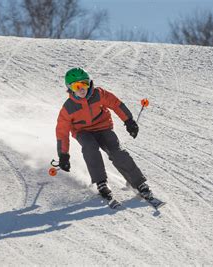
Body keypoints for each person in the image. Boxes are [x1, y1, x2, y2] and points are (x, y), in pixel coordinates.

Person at [55, 67, 153, 201]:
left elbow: (116, 104)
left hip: (103, 127)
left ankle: (138, 182)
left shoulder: (99, 94)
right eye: (76, 86)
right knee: (90, 148)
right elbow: (62, 132)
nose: (81, 89)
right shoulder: (68, 108)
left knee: (117, 152)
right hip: (83, 132)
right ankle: (101, 182)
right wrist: (63, 155)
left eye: (84, 84)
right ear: (69, 88)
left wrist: (129, 121)